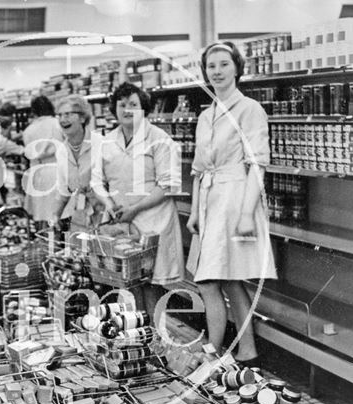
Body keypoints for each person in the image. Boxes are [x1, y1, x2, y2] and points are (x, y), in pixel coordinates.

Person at [186, 41, 276, 367]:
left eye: (224, 64)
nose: (218, 72)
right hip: (211, 201)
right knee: (230, 278)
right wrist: (195, 211)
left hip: (236, 198)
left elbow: (258, 164)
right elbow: (198, 171)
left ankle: (213, 353)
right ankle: (247, 350)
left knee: (207, 280)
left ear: (237, 68)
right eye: (212, 66)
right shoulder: (205, 115)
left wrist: (247, 213)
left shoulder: (250, 109)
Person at [91, 82, 184, 316]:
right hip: (120, 222)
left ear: (144, 108)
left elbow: (168, 185)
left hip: (153, 220)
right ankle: (137, 338)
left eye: (133, 104)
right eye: (122, 104)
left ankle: (156, 340)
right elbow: (96, 181)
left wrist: (135, 208)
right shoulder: (106, 141)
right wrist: (110, 206)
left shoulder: (160, 139)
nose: (127, 109)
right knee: (127, 284)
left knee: (152, 285)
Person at [51, 94, 103, 232]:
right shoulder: (61, 151)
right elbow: (63, 191)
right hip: (80, 215)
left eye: (67, 114)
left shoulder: (102, 144)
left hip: (106, 216)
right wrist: (55, 215)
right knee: (80, 251)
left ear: (82, 117)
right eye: (59, 115)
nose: (62, 120)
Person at [22, 95, 64, 223]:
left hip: (37, 173)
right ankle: (59, 242)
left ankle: (45, 241)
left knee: (41, 214)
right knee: (59, 214)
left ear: (33, 111)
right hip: (57, 170)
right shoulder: (58, 123)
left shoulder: (28, 130)